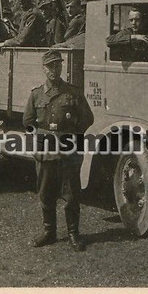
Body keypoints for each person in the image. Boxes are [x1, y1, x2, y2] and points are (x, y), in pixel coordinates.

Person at [23, 49, 94, 251]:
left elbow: (88, 118)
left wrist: (72, 135)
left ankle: (73, 233)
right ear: (44, 69)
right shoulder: (36, 94)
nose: (54, 69)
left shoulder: (73, 92)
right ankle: (49, 232)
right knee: (46, 193)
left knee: (71, 194)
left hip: (68, 151)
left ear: (62, 66)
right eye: (50, 66)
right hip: (45, 151)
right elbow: (27, 122)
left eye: (58, 65)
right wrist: (36, 137)